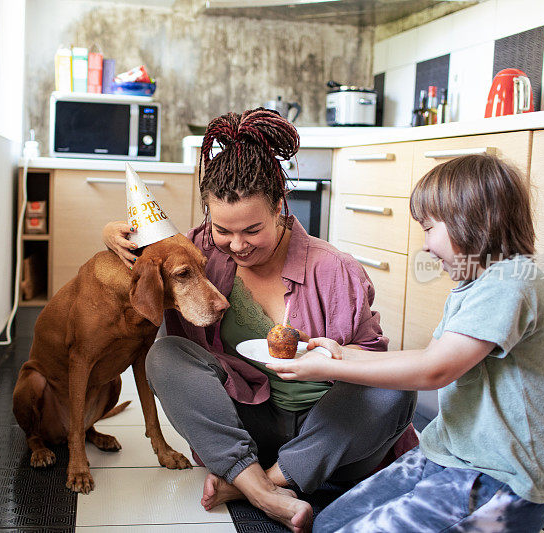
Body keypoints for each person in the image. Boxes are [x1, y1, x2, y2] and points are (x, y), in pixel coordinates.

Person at [103, 108, 417, 533]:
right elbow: (146, 259)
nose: (236, 245)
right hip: (246, 429)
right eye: (222, 230)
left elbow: (372, 358)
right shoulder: (199, 253)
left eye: (252, 230)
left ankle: (258, 486)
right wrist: (110, 233)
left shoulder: (335, 270)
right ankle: (257, 482)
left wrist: (337, 355)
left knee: (395, 389)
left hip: (329, 437)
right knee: (165, 356)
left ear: (280, 207)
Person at [267, 153, 544, 532]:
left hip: (495, 479)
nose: (425, 246)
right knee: (328, 525)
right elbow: (430, 356)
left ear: (469, 220)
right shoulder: (475, 286)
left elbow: (435, 370)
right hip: (446, 455)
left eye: (428, 229)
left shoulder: (510, 281)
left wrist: (328, 368)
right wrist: (343, 355)